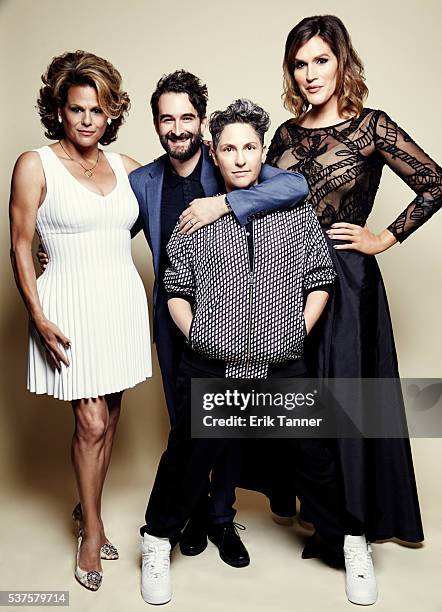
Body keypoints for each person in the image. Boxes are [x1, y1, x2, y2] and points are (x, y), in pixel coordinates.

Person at [140, 98, 356, 606]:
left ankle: (348, 541)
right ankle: (156, 539)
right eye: (230, 148)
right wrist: (199, 337)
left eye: (250, 147)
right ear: (215, 153)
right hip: (211, 361)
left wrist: (296, 332)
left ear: (264, 152)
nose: (240, 158)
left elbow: (321, 279)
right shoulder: (195, 216)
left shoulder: (293, 209)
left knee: (313, 451)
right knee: (188, 453)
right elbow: (174, 286)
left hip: (282, 358)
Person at [256, 14, 440, 605]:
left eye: (321, 60)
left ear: (342, 63)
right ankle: (314, 508)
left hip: (345, 281)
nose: (310, 74)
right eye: (300, 63)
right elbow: (254, 205)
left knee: (346, 404)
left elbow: (435, 181)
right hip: (281, 284)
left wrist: (382, 236)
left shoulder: (371, 128)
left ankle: (355, 534)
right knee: (296, 401)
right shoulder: (282, 135)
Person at [129, 70, 313, 566]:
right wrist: (49, 251)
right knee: (189, 429)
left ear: (204, 124)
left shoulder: (228, 164)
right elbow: (105, 228)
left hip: (241, 324)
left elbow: (294, 185)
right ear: (156, 124)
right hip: (175, 317)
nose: (178, 127)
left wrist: (226, 201)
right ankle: (187, 514)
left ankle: (220, 518)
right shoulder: (141, 180)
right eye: (167, 118)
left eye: (187, 116)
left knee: (227, 424)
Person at [9, 50, 151, 591]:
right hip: (67, 304)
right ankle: (91, 530)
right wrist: (38, 316)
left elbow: (168, 202)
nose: (88, 119)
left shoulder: (127, 167)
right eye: (77, 109)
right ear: (59, 111)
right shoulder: (34, 164)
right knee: (90, 422)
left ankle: (82, 508)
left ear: (111, 112)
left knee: (110, 418)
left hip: (119, 301)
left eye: (98, 109)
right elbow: (21, 246)